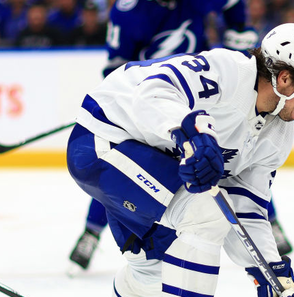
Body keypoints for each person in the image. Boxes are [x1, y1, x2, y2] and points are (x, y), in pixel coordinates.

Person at [67, 23, 294, 297]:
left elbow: (247, 206)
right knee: (206, 215)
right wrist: (185, 130)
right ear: (285, 78)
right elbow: (155, 90)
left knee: (155, 261)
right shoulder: (228, 70)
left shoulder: (277, 133)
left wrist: (271, 273)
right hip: (104, 141)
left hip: (145, 162)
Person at [68, 0, 268, 275]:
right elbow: (116, 65)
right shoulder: (129, 11)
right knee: (123, 165)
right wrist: (125, 98)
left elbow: (232, 3)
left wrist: (238, 26)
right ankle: (92, 231)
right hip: (155, 102)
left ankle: (270, 219)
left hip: (202, 93)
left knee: (239, 151)